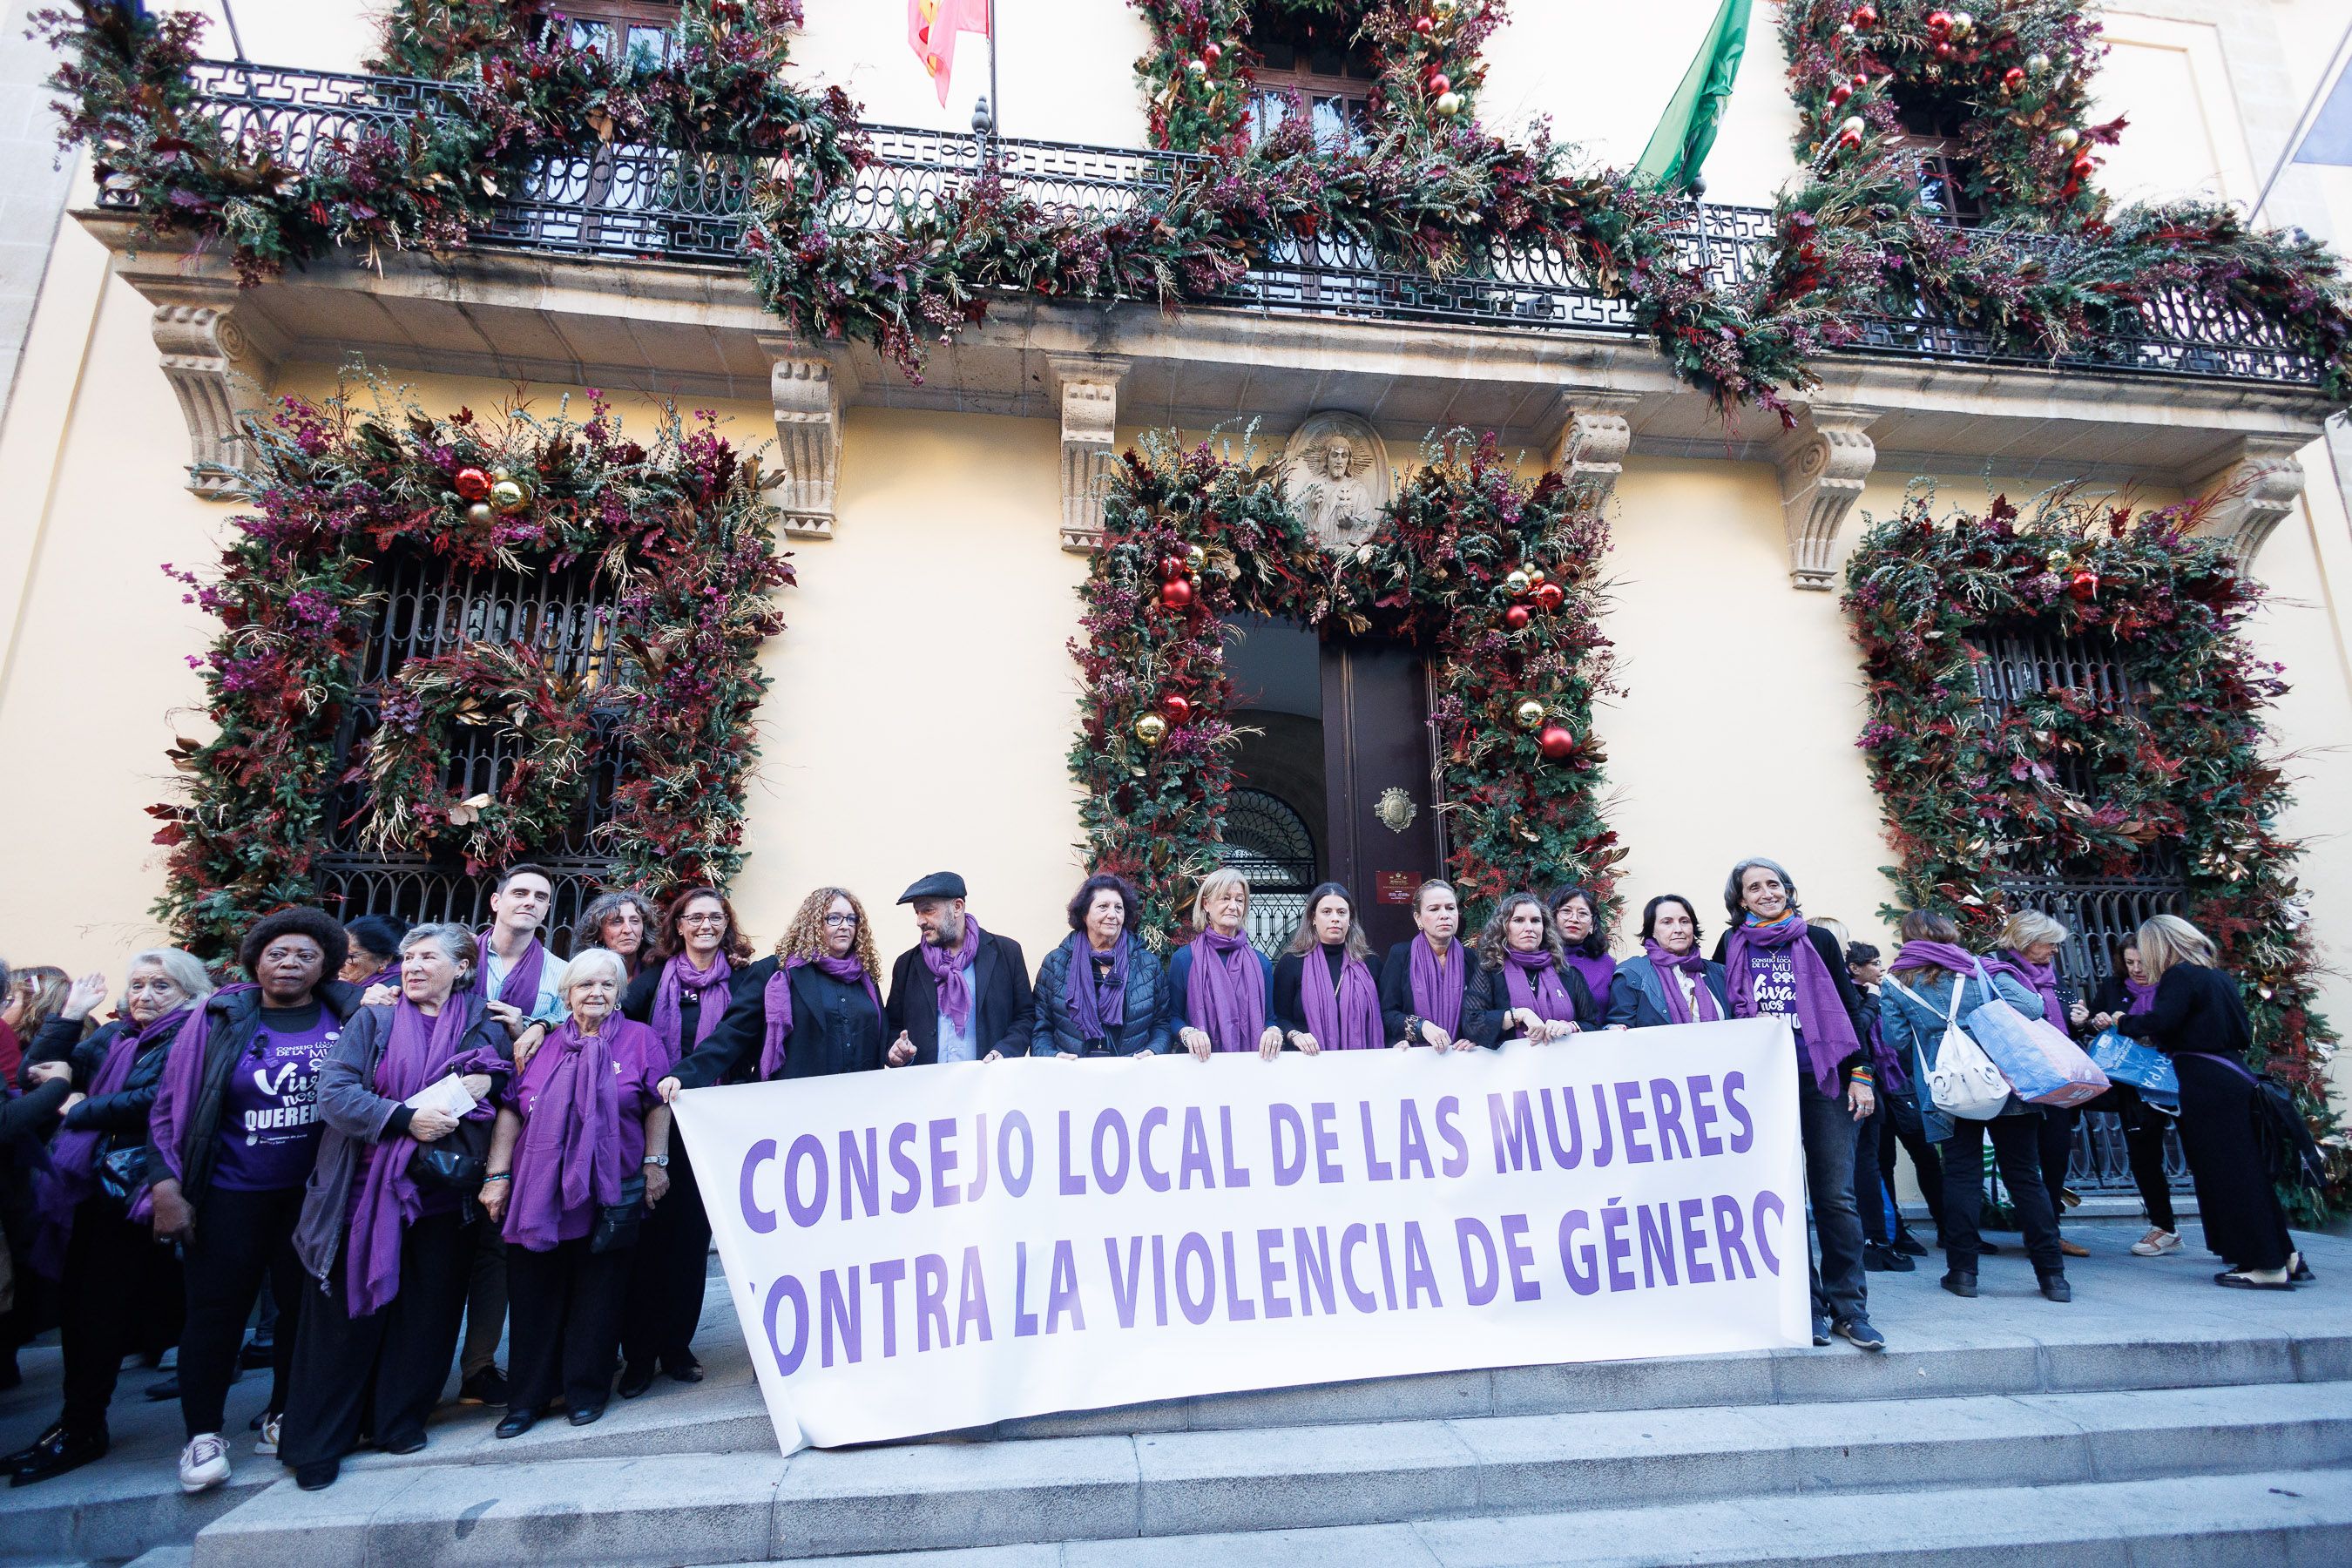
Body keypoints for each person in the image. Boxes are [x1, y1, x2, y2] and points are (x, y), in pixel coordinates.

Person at [278, 924, 504, 1490]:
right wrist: (405, 1119)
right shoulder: (374, 1018)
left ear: (462, 967)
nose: (414, 966)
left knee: (427, 1318)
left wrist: (488, 1079)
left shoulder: (482, 1022)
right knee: (344, 1322)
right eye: (408, 957)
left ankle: (397, 1421)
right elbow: (334, 1093)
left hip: (441, 1200)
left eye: (429, 957)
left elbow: (504, 1085)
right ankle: (317, 1443)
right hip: (361, 1196)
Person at [145, 908, 362, 1493]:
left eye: (306, 955)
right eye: (277, 953)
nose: (290, 963)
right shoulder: (219, 1018)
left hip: (310, 1198)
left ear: (326, 966)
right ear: (255, 960)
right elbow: (169, 1106)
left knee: (299, 1311)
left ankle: (284, 1412)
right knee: (215, 1315)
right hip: (230, 1195)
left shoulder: (348, 1016)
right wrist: (166, 1187)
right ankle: (203, 1434)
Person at [4, 950, 213, 1487]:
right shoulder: (116, 1035)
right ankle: (77, 1421)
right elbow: (34, 1075)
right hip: (87, 1188)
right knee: (80, 1310)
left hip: (140, 1191)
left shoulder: (193, 1035)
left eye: (161, 986)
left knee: (100, 1311)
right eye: (138, 984)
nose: (145, 996)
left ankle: (82, 1426)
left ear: (189, 993)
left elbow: (156, 1100)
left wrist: (76, 1104)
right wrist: (71, 1015)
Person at [474, 948, 664, 1436]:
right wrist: (497, 1176)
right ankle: (527, 1399)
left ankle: (585, 1391)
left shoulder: (641, 1039)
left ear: (620, 993)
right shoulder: (540, 1044)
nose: (596, 993)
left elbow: (657, 1104)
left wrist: (655, 1163)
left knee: (598, 1296)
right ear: (567, 994)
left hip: (609, 1187)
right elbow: (511, 1109)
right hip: (538, 1193)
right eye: (585, 985)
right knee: (533, 1295)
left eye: (607, 985)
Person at [1711, 856, 1882, 1351]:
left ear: (1787, 889)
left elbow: (1848, 1008)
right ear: (1740, 899)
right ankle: (1806, 1308)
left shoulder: (1819, 940)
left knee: (1836, 1197)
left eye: (1774, 884)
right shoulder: (1730, 944)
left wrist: (1861, 1073)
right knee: (1782, 1196)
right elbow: (1721, 1012)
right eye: (1754, 887)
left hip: (1825, 1079)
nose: (1767, 892)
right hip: (1763, 1086)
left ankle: (1850, 1309)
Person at [1878, 910, 2071, 1304]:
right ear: (1950, 934)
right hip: (2005, 1085)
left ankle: (1962, 1273)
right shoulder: (1981, 968)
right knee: (2025, 1177)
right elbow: (2033, 1008)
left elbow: (1896, 1040)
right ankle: (2053, 1277)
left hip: (1949, 1092)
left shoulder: (1896, 982)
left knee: (1960, 1177)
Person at [613, 888, 750, 1397]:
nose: (706, 925)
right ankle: (639, 1354)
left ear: (726, 925)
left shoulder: (743, 982)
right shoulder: (652, 979)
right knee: (648, 1241)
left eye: (716, 917)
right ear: (679, 925)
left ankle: (677, 1347)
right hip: (653, 1122)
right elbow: (618, 1029)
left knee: (691, 1242)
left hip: (712, 1127)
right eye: (696, 917)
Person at [2114, 915, 2298, 1289]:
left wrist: (2124, 1022)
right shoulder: (2216, 976)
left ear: (2160, 946)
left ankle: (2266, 1265)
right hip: (2231, 1075)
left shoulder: (2180, 976)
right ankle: (2285, 1255)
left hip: (2206, 1083)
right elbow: (2241, 1031)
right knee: (2246, 1170)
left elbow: (2161, 1022)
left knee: (2229, 1173)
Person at [659, 887, 891, 1093]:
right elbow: (732, 1034)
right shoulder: (775, 973)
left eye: (851, 919)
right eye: (834, 918)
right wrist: (684, 1076)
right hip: (796, 1105)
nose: (845, 926)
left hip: (860, 1103)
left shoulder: (865, 977)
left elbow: (879, 1037)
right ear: (813, 924)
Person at [1981, 911, 2092, 1260]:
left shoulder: (2052, 978)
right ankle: (2037, 1235)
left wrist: (2080, 1023)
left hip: (2056, 1082)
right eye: (2050, 944)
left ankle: (2050, 1232)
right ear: (2026, 941)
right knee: (2024, 1162)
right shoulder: (1998, 971)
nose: (2056, 951)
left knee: (2055, 1156)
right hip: (2018, 1081)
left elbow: (2064, 1032)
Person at [2083, 937, 2181, 1257]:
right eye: (2129, 963)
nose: (2136, 969)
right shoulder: (2114, 987)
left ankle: (2224, 1228)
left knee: (2204, 1153)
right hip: (2134, 1085)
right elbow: (2094, 1023)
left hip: (2178, 1077)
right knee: (2144, 1155)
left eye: (2142, 962)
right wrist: (2095, 1021)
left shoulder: (2175, 986)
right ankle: (2163, 1227)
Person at [1845, 939, 1939, 1270]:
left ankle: (1943, 1227)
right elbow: (1857, 1030)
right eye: (1873, 963)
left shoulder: (1886, 992)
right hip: (1870, 1087)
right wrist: (1873, 1000)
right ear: (1855, 968)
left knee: (1924, 1153)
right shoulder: (1857, 995)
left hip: (1898, 1085)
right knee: (1879, 1163)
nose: (1879, 967)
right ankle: (1891, 1232)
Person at [883, 873, 1033, 1066]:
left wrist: (1004, 1051)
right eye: (917, 912)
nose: (920, 921)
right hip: (926, 1082)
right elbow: (893, 1026)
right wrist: (897, 1052)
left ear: (957, 907)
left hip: (988, 1080)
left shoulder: (1007, 953)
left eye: (928, 910)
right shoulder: (906, 964)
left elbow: (1025, 1016)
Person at [1031, 875, 1171, 1058]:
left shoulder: (1148, 965)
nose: (1112, 915)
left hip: (1132, 1070)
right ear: (1084, 914)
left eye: (1118, 908)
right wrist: (1053, 1057)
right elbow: (1041, 1027)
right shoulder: (1056, 963)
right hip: (1071, 1071)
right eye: (1103, 906)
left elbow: (1162, 1024)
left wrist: (1153, 1051)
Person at [1166, 870, 1282, 1060]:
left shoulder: (1261, 963)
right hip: (1199, 1067)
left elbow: (1270, 1018)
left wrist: (1274, 1031)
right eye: (1225, 898)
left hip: (1250, 1066)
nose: (1233, 906)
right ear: (1206, 904)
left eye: (1240, 900)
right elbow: (1172, 1017)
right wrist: (1188, 1033)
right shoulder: (1184, 959)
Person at [1271, 883, 1385, 1053]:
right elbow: (1279, 1017)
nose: (1335, 918)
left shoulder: (1370, 964)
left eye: (1341, 912)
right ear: (1313, 918)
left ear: (1350, 919)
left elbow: (1385, 1015)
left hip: (1361, 1063)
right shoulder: (1291, 963)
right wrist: (1295, 1035)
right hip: (1307, 1061)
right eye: (1326, 912)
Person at [1378, 880, 1485, 1050]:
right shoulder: (1401, 955)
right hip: (1415, 1057)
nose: (1444, 915)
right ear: (1418, 918)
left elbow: (1484, 1013)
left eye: (1450, 908)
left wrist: (1475, 1039)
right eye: (1434, 909)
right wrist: (1420, 1027)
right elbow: (1386, 1014)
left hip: (1462, 1058)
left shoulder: (1471, 958)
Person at [1478, 891, 1595, 1043]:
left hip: (1565, 1057)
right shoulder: (1490, 972)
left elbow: (1593, 1024)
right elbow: (1472, 1023)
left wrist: (1569, 1027)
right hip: (1513, 1058)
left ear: (1544, 928)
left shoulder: (1567, 973)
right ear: (1503, 928)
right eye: (1519, 920)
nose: (1529, 928)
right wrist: (1518, 1015)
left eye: (1535, 921)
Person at [1605, 895, 1728, 1028]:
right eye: (1667, 922)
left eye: (1684, 921)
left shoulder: (1720, 973)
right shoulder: (1631, 974)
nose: (1678, 929)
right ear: (1652, 930)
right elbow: (1620, 1027)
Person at [477, 864, 566, 1030]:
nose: (531, 902)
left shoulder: (562, 973)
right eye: (520, 894)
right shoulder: (460, 957)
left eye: (540, 897)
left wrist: (529, 1029)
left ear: (545, 911)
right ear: (496, 902)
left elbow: (566, 1031)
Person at [1547, 885, 1617, 1014]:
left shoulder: (1606, 964)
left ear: (1592, 926)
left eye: (1583, 914)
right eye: (1566, 911)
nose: (1574, 919)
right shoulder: (1538, 959)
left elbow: (1616, 1013)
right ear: (1552, 918)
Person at [576, 889, 659, 980]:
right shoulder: (582, 976)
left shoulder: (659, 973)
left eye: (635, 921)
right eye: (617, 922)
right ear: (599, 933)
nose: (628, 929)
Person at [340, 916, 412, 991]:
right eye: (339, 953)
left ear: (384, 961)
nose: (339, 963)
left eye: (350, 957)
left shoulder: (392, 993)